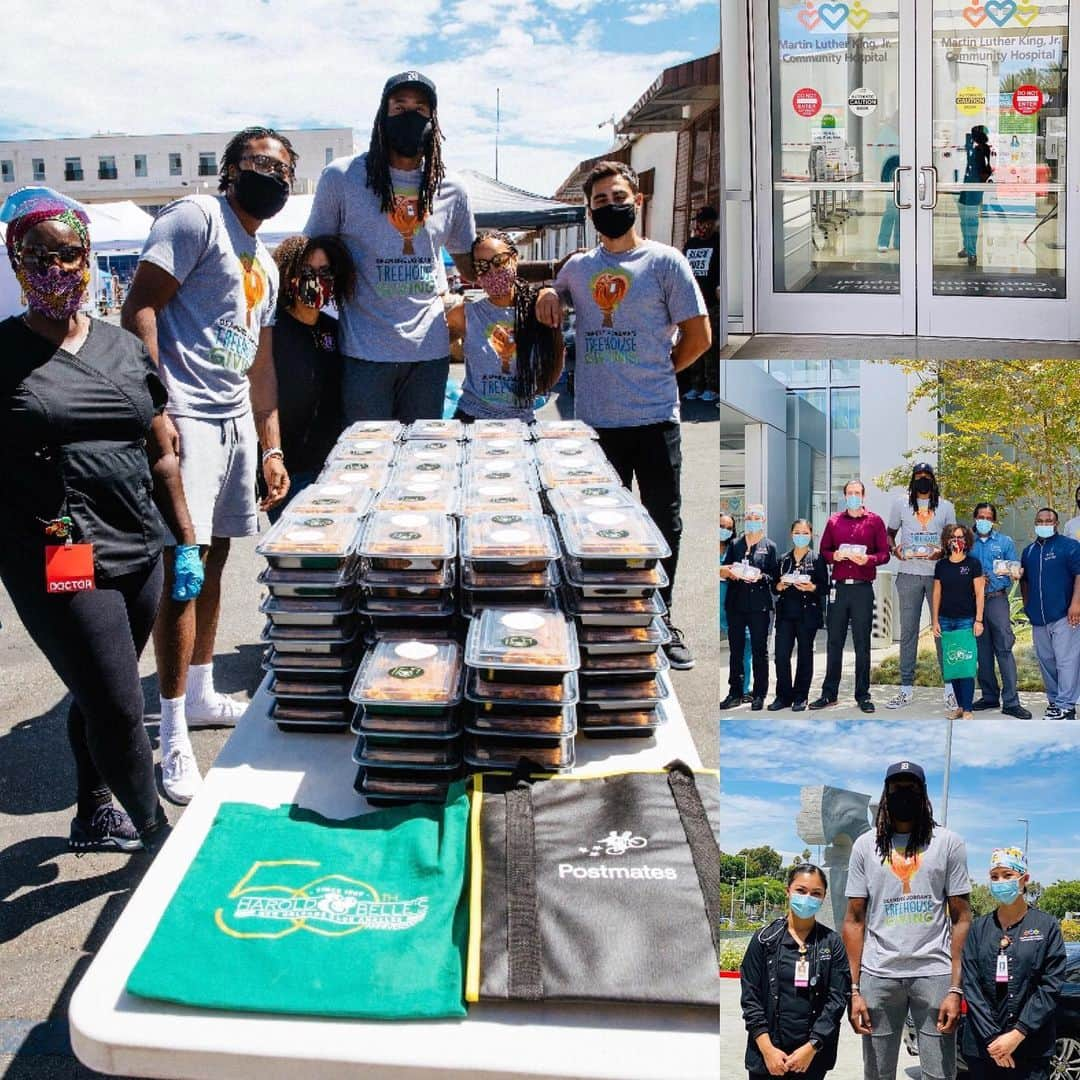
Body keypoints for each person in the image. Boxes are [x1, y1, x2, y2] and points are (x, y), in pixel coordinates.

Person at [0, 187, 203, 852]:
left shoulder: (122, 348)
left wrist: (187, 541)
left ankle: (93, 809)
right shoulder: (3, 354)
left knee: (97, 691)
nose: (57, 270)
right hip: (59, 553)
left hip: (140, 545)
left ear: (89, 259)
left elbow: (162, 450)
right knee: (117, 703)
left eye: (70, 255)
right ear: (13, 259)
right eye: (39, 257)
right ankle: (154, 835)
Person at [122, 126, 293, 804]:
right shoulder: (197, 217)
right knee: (182, 571)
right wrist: (158, 406)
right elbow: (140, 306)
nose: (272, 174)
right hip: (188, 415)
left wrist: (271, 445)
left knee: (216, 559)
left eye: (283, 166)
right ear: (228, 170)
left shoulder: (267, 261)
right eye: (258, 162)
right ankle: (169, 733)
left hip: (236, 424)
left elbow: (261, 365)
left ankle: (199, 691)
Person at [536, 160, 711, 670]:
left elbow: (698, 337)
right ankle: (606, 615)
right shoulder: (578, 267)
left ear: (637, 200)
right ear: (589, 211)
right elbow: (556, 295)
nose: (610, 208)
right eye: (600, 202)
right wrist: (549, 290)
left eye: (618, 198)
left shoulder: (665, 261)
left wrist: (661, 372)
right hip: (595, 426)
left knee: (662, 524)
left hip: (655, 418)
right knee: (598, 527)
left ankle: (662, 615)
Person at [304, 71, 476, 424]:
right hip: (363, 353)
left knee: (421, 459)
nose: (410, 115)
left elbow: (474, 266)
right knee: (366, 462)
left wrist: (538, 290)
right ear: (382, 115)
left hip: (429, 355)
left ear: (434, 120)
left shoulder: (452, 188)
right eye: (399, 106)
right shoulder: (342, 178)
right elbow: (309, 255)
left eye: (420, 108)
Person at [843, 760, 972, 1080]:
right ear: (885, 794)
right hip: (879, 974)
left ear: (924, 793)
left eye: (911, 788)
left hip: (934, 974)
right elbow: (854, 919)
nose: (904, 793)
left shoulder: (948, 842)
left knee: (940, 1074)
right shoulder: (866, 845)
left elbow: (961, 918)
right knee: (877, 1073)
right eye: (897, 788)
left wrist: (955, 988)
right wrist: (855, 989)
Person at [268, 233, 355, 517]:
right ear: (288, 275)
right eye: (306, 272)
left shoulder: (333, 328)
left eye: (324, 272)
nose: (316, 280)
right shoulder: (273, 329)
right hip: (288, 470)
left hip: (329, 466)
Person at [961, 847, 1068, 1080]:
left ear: (1024, 879)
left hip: (1031, 1048)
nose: (1000, 881)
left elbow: (1051, 985)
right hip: (983, 1049)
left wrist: (1018, 1033)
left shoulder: (1046, 926)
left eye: (1007, 875)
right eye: (994, 876)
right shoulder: (978, 929)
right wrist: (992, 1039)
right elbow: (971, 984)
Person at [740, 863, 850, 1080]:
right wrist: (767, 1050)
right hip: (767, 1057)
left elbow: (837, 1000)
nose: (808, 897)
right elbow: (750, 997)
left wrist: (812, 1046)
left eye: (816, 893)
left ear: (823, 897)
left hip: (811, 1059)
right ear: (787, 891)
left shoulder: (832, 943)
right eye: (801, 890)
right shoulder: (764, 939)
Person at [445, 230, 562, 423]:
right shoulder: (465, 314)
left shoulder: (538, 309)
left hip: (521, 422)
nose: (492, 271)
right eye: (482, 266)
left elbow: (556, 360)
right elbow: (430, 348)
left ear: (514, 259)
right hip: (472, 419)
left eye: (499, 261)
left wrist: (535, 390)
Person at [811, 480, 890, 713]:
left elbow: (884, 553)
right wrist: (835, 555)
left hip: (862, 589)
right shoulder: (834, 521)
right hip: (839, 589)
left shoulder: (874, 521)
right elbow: (824, 551)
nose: (853, 496)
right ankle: (829, 694)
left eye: (857, 493)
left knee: (862, 643)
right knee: (834, 642)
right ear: (844, 496)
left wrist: (869, 560)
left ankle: (863, 695)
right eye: (849, 493)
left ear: (863, 496)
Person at [886, 462, 957, 711]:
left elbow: (953, 539)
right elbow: (889, 533)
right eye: (918, 476)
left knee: (942, 631)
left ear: (934, 480)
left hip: (938, 576)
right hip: (908, 574)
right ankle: (906, 688)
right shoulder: (901, 503)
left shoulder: (946, 506)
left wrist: (943, 552)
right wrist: (894, 550)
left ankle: (950, 689)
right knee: (908, 632)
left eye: (927, 476)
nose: (923, 480)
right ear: (912, 479)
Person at [970, 503, 1031, 718]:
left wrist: (1016, 572)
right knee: (982, 652)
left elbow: (1014, 567)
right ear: (975, 518)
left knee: (1004, 650)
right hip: (974, 603)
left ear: (994, 521)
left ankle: (1012, 702)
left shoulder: (1004, 542)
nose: (984, 520)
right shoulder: (968, 542)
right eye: (980, 516)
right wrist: (974, 580)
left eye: (988, 517)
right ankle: (989, 696)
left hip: (997, 601)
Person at [1020, 508, 1080, 721]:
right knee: (1047, 661)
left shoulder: (1070, 547)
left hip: (1065, 615)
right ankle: (1055, 702)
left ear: (1056, 523)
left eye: (1048, 521)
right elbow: (1024, 581)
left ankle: (1067, 706)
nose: (1044, 524)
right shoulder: (1028, 552)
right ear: (1034, 523)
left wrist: (1076, 604)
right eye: (1040, 521)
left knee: (1067, 661)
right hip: (1038, 618)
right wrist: (1027, 606)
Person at [719, 505, 779, 710]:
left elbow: (774, 577)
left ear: (763, 521)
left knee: (759, 650)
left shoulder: (769, 547)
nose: (752, 520)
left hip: (759, 606)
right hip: (736, 605)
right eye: (749, 517)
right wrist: (730, 572)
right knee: (735, 650)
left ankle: (759, 694)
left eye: (756, 518)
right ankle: (735, 692)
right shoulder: (735, 544)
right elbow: (724, 568)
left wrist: (760, 576)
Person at [770, 519, 830, 713]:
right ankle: (783, 696)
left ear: (810, 535)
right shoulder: (783, 559)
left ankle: (800, 696)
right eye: (797, 532)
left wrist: (812, 587)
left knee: (805, 656)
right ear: (791, 534)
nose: (801, 536)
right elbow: (774, 585)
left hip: (808, 615)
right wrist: (779, 586)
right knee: (781, 656)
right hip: (786, 614)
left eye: (805, 533)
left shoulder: (817, 559)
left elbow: (825, 588)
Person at [932, 523, 985, 721]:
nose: (957, 541)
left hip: (966, 620)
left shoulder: (973, 564)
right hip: (945, 621)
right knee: (953, 664)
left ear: (967, 541)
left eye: (960, 537)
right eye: (953, 537)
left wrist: (978, 620)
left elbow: (980, 593)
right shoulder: (941, 565)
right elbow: (937, 593)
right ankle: (960, 707)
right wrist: (935, 620)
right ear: (947, 541)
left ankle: (969, 709)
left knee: (966, 664)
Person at [681, 206, 720, 403]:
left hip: (711, 302)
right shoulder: (690, 244)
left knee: (710, 346)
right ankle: (696, 385)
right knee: (692, 343)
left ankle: (712, 386)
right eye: (699, 222)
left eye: (706, 223)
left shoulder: (718, 243)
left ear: (714, 224)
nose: (702, 227)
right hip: (691, 302)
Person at [719, 512, 752, 701]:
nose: (724, 530)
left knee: (743, 647)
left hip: (733, 604)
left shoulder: (735, 548)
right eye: (721, 526)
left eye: (728, 528)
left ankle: (744, 689)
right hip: (715, 604)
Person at [958, 125, 992, 267]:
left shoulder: (981, 150)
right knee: (964, 219)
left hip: (974, 189)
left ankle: (972, 253)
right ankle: (967, 247)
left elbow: (985, 170)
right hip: (967, 189)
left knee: (971, 221)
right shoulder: (977, 149)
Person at [876, 154, 900, 254]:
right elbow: (885, 177)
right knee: (890, 213)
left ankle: (898, 242)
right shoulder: (893, 159)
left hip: (908, 191)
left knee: (902, 215)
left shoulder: (913, 157)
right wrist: (888, 189)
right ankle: (883, 242)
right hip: (892, 190)